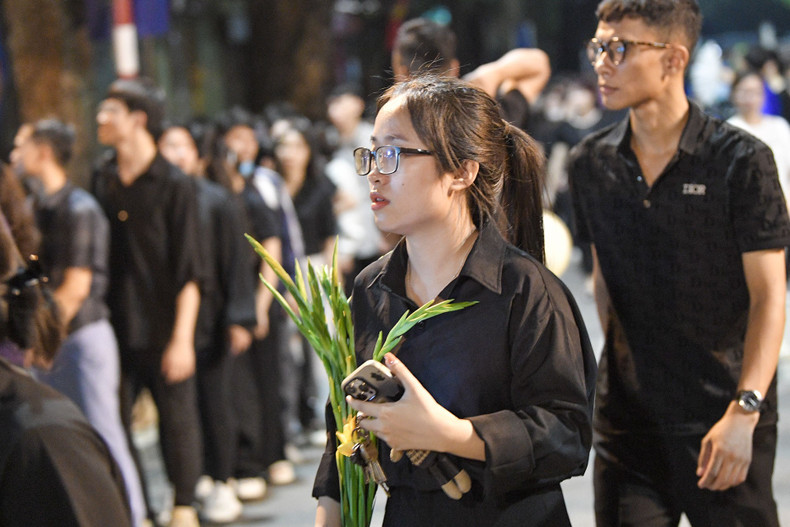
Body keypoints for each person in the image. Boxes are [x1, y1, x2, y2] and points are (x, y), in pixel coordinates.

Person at [313, 75, 596, 527]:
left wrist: (452, 435)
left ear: (462, 171)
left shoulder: (524, 289)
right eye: (371, 153)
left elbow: (567, 435)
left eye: (394, 153)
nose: (374, 172)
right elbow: (344, 430)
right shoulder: (371, 289)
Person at [568, 1, 790, 526]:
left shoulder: (741, 160)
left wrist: (746, 409)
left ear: (673, 59)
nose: (602, 61)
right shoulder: (590, 164)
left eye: (619, 49)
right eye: (598, 47)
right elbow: (603, 281)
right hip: (629, 424)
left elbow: (770, 295)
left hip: (725, 415)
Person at [11, 119, 147, 527]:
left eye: (21, 145)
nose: (14, 155)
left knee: (105, 434)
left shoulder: (79, 208)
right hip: (54, 339)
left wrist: (39, 341)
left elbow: (75, 288)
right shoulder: (39, 207)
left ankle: (133, 517)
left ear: (43, 151)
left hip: (81, 339)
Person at [92, 78, 205, 527]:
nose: (100, 120)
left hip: (164, 322)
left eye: (109, 112)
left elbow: (191, 270)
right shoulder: (102, 176)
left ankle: (184, 505)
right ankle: (138, 508)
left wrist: (183, 339)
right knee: (114, 419)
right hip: (114, 323)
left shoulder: (175, 184)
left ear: (137, 120)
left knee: (176, 419)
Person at [159, 124, 256, 523]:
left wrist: (240, 318)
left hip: (214, 319)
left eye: (181, 146)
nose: (174, 153)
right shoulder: (160, 202)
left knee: (217, 402)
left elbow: (238, 264)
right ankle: (192, 479)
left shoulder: (218, 200)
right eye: (167, 145)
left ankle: (222, 479)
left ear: (198, 156)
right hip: (172, 324)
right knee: (180, 410)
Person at [391, 17, 551, 134]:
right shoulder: (488, 116)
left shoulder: (392, 130)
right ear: (454, 68)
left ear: (403, 72)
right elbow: (539, 64)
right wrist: (492, 74)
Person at [727, 70, 790, 209]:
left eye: (756, 92)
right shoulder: (729, 130)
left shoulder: (779, 126)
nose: (751, 98)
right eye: (745, 92)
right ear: (733, 94)